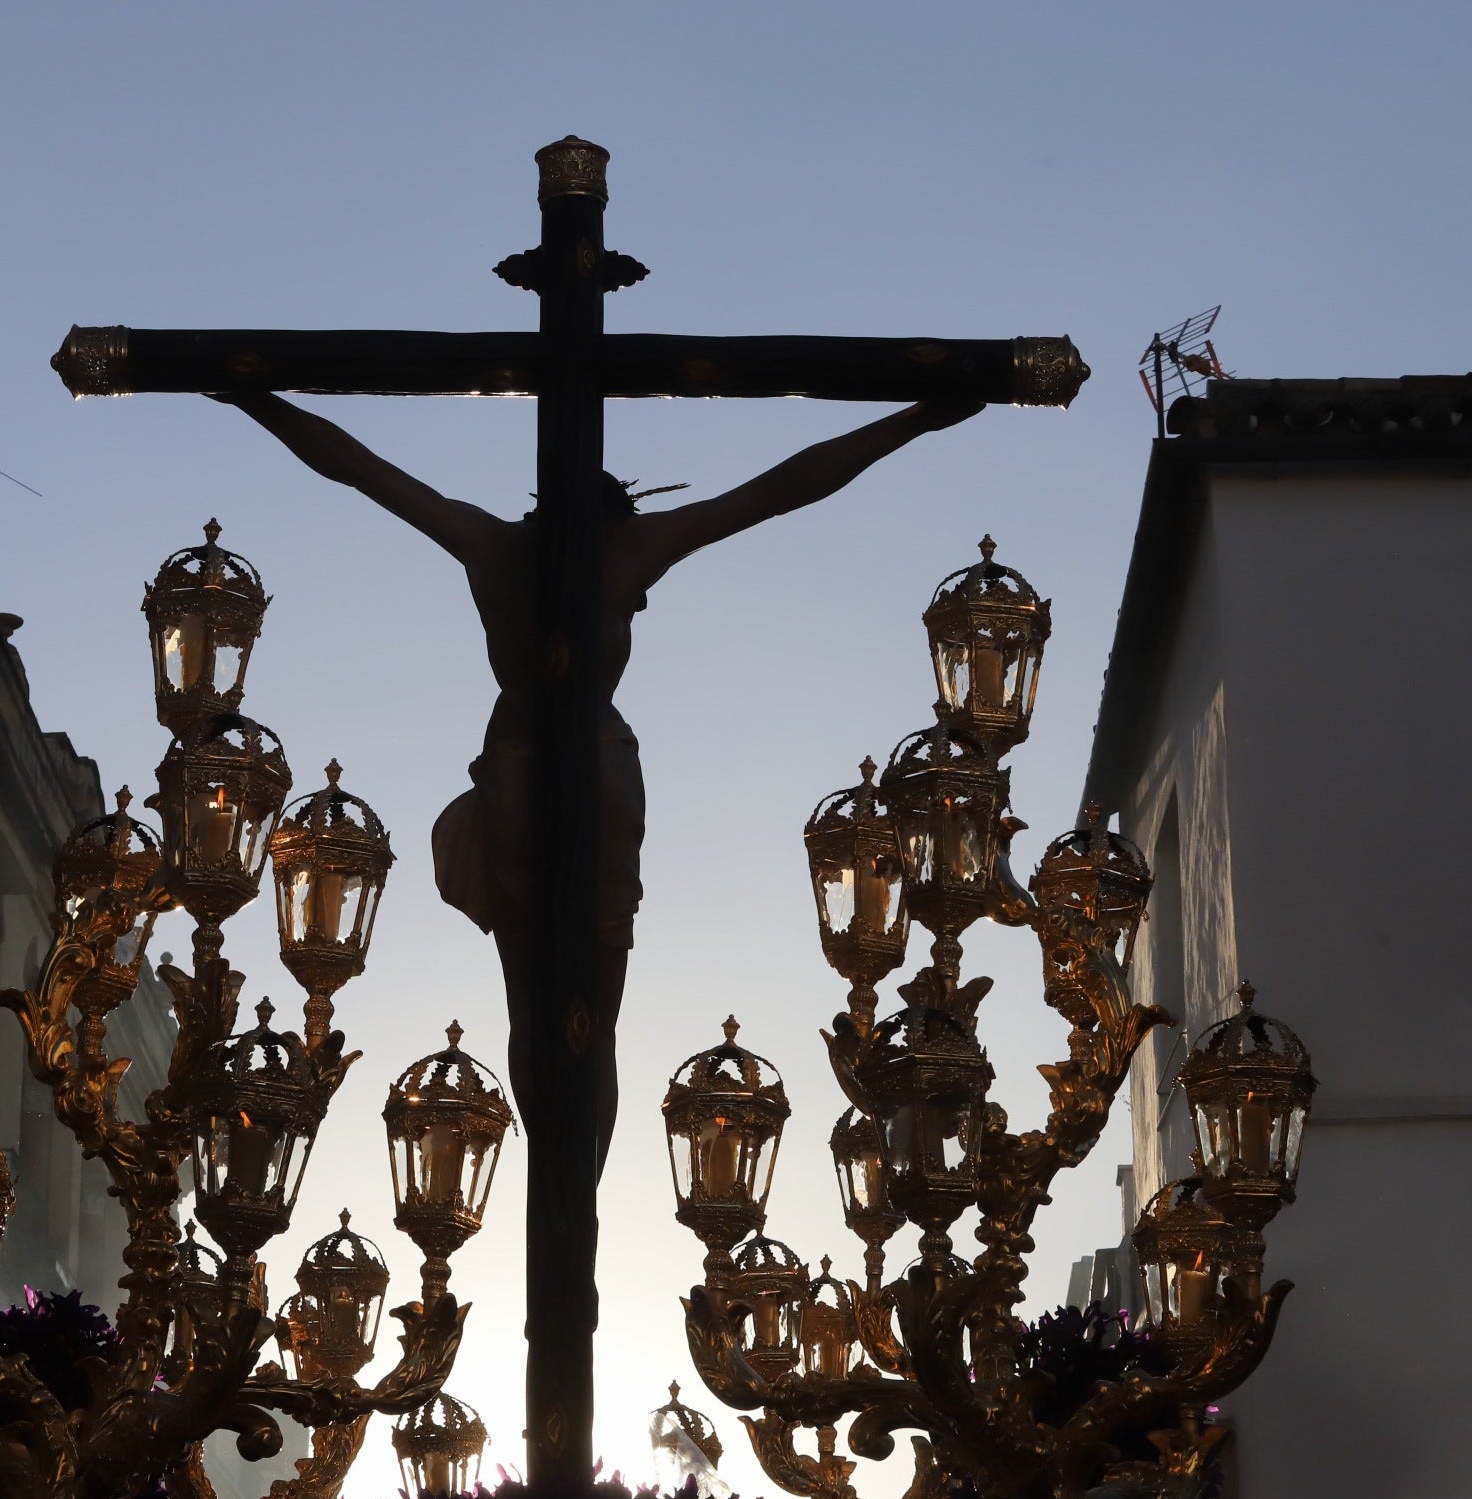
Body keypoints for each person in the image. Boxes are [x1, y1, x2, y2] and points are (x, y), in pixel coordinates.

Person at [211, 392, 981, 1170]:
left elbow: (359, 468)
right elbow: (783, 488)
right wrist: (913, 419)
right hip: (598, 768)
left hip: (513, 770)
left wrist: (252, 396)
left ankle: (556, 1168)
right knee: (596, 1024)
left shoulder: (487, 541)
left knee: (528, 1008)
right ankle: (577, 1182)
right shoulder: (628, 550)